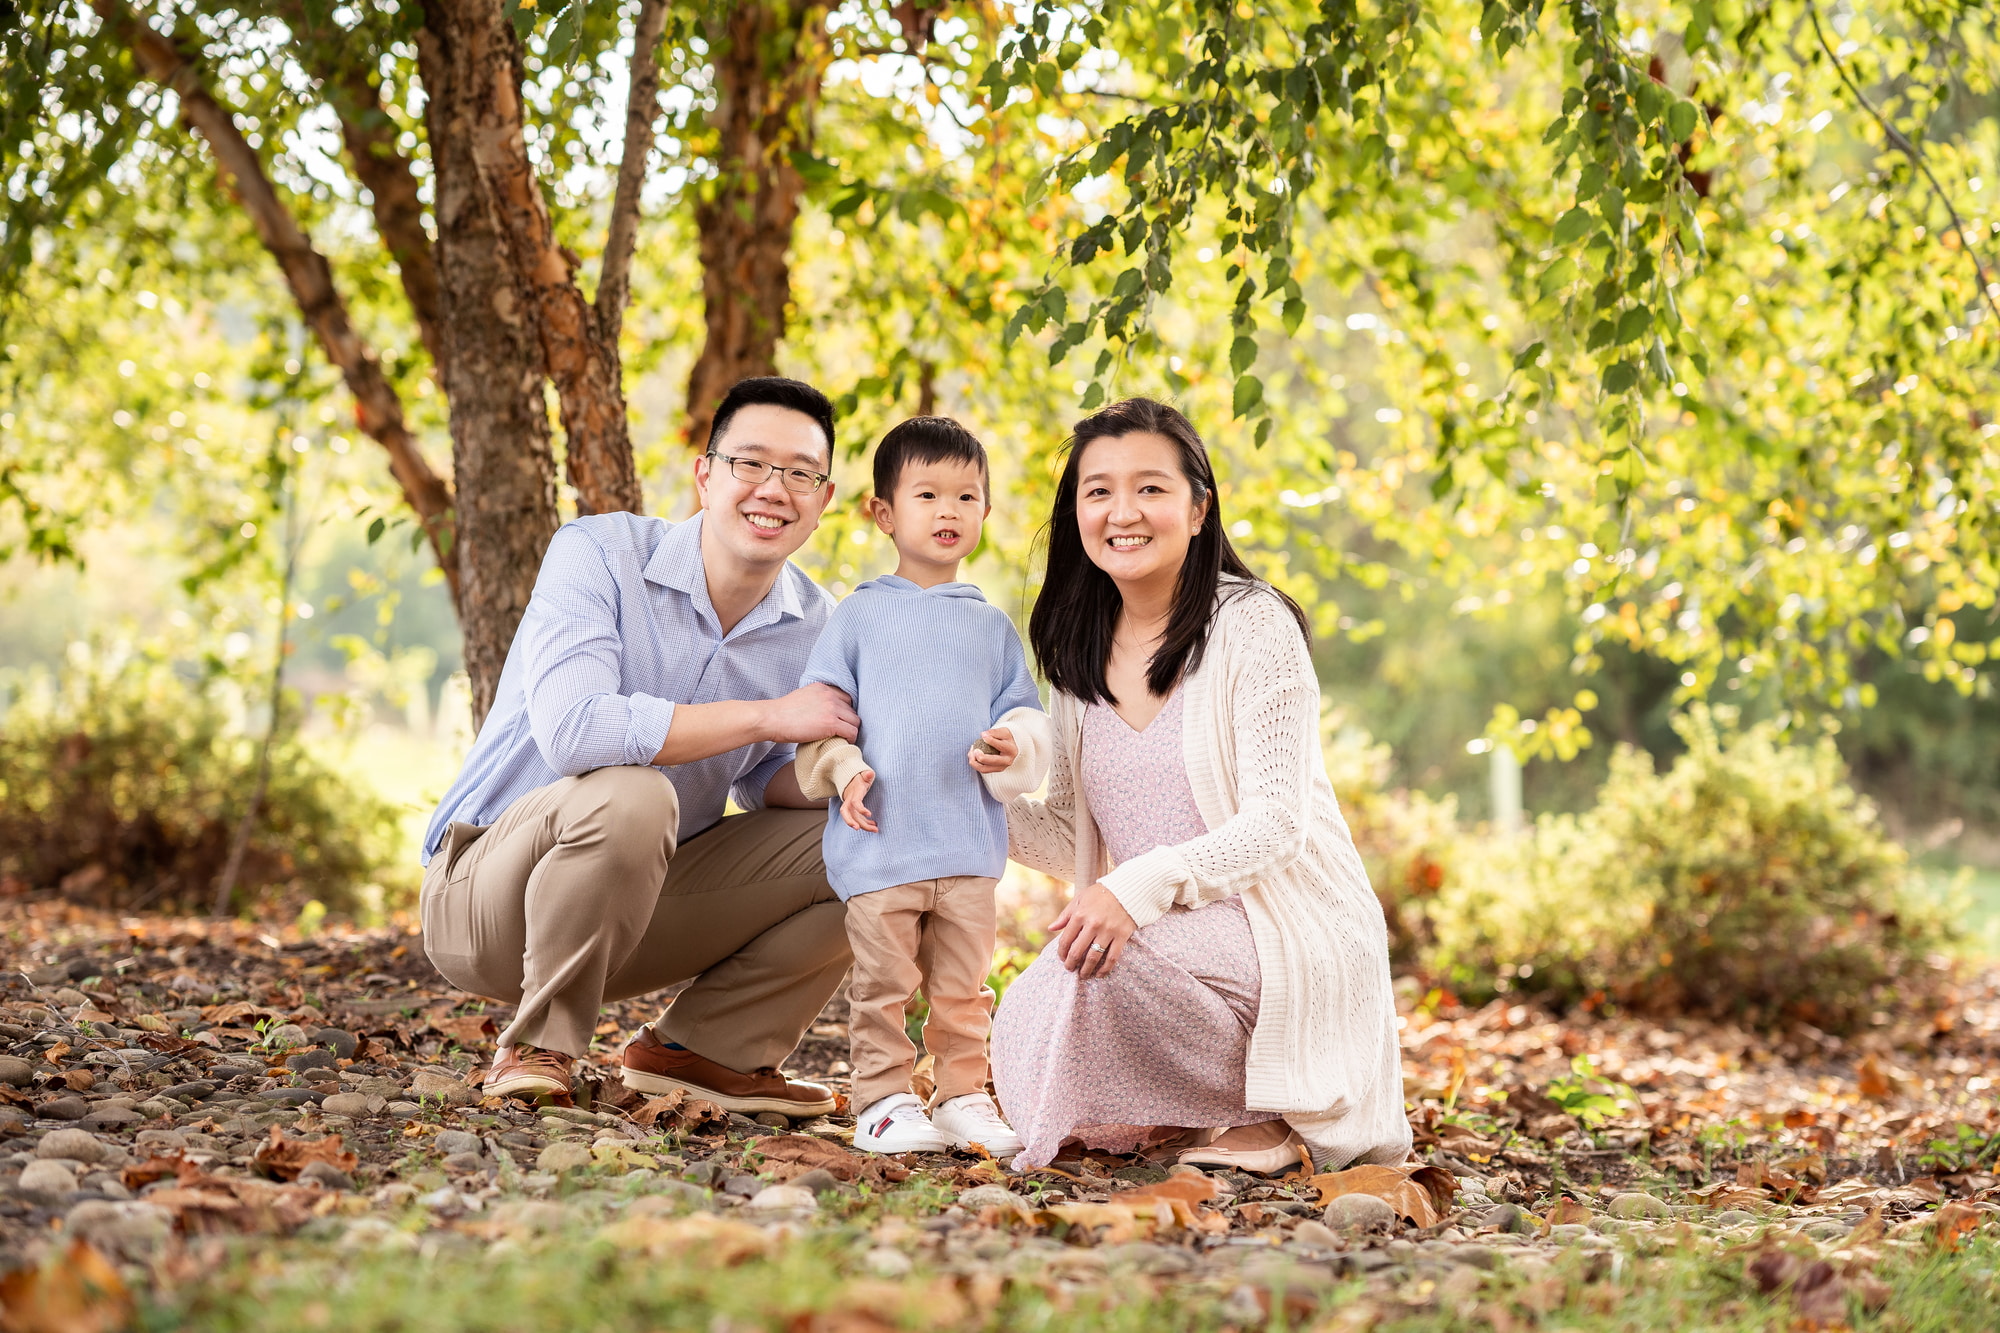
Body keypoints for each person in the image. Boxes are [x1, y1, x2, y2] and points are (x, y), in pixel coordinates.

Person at [993, 397, 1413, 1174]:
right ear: (1075, 513)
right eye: (1098, 491)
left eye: (1150, 488)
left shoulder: (1252, 625)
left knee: (1095, 963)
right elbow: (1068, 836)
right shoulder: (1077, 655)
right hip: (1160, 932)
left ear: (1197, 509)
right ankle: (1186, 1112)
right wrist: (965, 793)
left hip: (1281, 926)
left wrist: (1136, 886)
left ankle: (1269, 1109)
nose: (1124, 511)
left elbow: (1276, 825)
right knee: (1043, 992)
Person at [418, 376, 860, 1112]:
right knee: (632, 788)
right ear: (705, 473)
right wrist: (765, 714)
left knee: (868, 836)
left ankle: (705, 1051)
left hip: (636, 906)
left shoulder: (820, 624)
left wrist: (855, 772)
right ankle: (539, 1045)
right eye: (751, 463)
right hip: (484, 896)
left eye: (799, 473)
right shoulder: (598, 552)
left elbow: (770, 779)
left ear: (824, 497)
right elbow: (576, 731)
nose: (773, 489)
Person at [792, 418, 1052, 1156]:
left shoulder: (993, 628)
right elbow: (820, 723)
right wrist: (844, 769)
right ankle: (882, 1099)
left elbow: (1027, 718)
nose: (948, 511)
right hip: (883, 844)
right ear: (884, 512)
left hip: (966, 846)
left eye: (966, 496)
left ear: (986, 513)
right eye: (928, 494)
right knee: (882, 986)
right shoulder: (860, 617)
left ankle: (964, 1093)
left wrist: (1013, 746)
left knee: (964, 989)